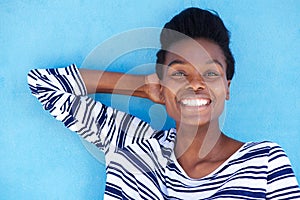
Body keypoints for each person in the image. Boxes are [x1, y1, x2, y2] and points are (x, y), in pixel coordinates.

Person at [27, 7, 300, 199]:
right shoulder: (130, 145)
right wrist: (142, 87)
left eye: (211, 72)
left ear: (226, 88)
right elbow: (44, 85)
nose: (196, 84)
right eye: (180, 72)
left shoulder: (264, 162)